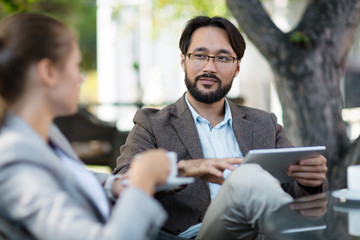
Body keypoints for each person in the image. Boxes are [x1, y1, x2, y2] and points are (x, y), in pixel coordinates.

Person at [114, 16, 328, 239]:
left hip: (262, 234)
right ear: (183, 61)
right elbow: (123, 183)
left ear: (237, 68)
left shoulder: (264, 123)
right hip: (192, 235)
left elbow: (294, 197)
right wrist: (183, 168)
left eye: (223, 58)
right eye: (199, 55)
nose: (210, 67)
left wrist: (309, 180)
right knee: (248, 176)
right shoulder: (152, 124)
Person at [0, 13, 172, 240]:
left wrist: (115, 184)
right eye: (76, 65)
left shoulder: (44, 133)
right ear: (48, 72)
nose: (80, 78)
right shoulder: (14, 161)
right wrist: (143, 180)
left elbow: (70, 176)